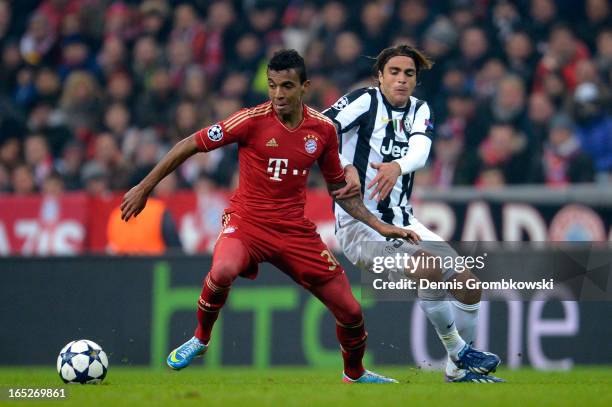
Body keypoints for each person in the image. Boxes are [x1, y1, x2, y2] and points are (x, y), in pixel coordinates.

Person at [120, 49, 418, 383]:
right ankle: (201, 338)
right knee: (222, 269)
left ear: (305, 86)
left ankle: (355, 373)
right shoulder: (249, 120)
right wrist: (144, 187)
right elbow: (189, 143)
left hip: (294, 231)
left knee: (350, 310)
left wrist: (380, 226)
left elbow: (340, 191)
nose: (278, 94)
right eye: (272, 85)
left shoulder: (322, 130)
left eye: (287, 86)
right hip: (247, 223)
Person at [323, 44, 504, 383]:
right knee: (428, 265)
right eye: (394, 72)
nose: (401, 80)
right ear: (380, 76)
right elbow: (320, 129)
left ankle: (456, 369)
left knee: (468, 286)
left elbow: (421, 152)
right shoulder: (363, 101)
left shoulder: (420, 110)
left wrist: (396, 166)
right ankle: (460, 351)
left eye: (409, 74)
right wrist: (345, 165)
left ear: (416, 80)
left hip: (403, 221)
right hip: (359, 227)